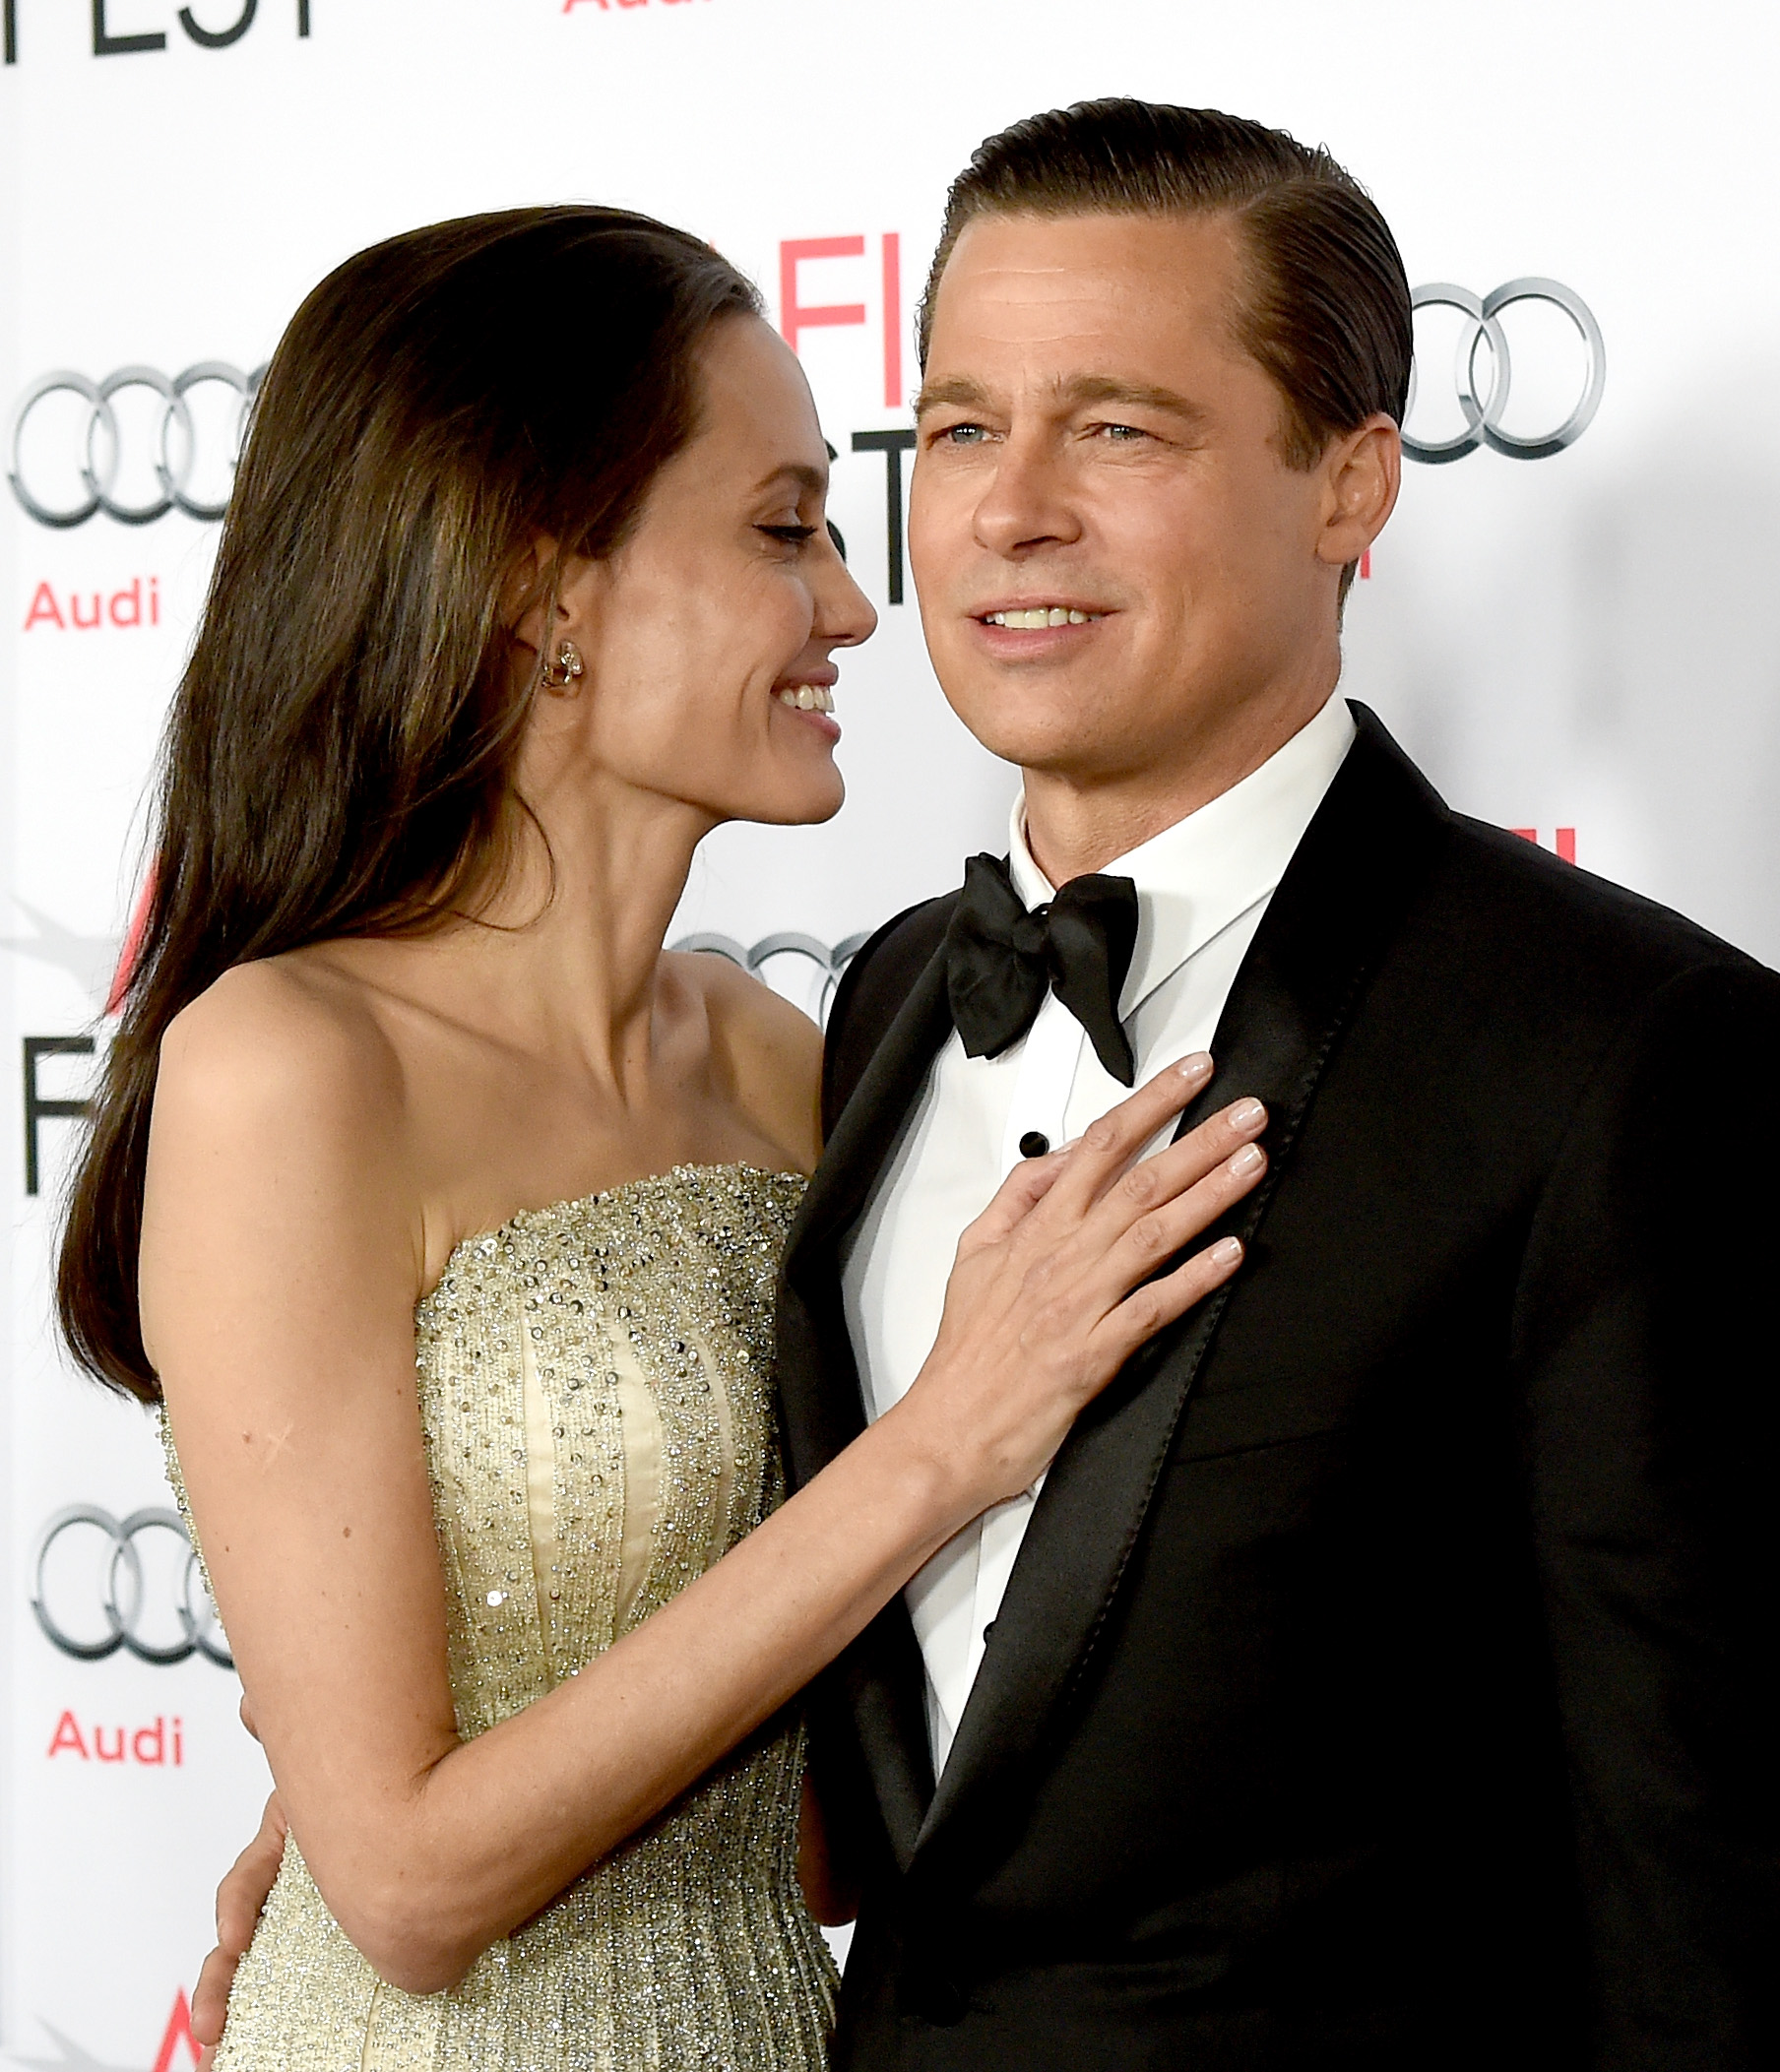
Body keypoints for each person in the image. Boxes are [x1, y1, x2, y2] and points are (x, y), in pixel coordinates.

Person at [197, 103, 1780, 2069]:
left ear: (1350, 486)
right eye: (956, 429)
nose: (1005, 513)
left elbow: (1711, 1888)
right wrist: (353, 1776)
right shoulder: (873, 1021)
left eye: (1116, 429)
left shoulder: (1619, 1055)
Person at [56, 205, 1272, 2072]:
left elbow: (846, 1788)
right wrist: (942, 1443)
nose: (854, 607)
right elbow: (409, 1887)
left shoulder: (789, 1059)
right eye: (783, 531)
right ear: (544, 589)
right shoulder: (289, 1068)